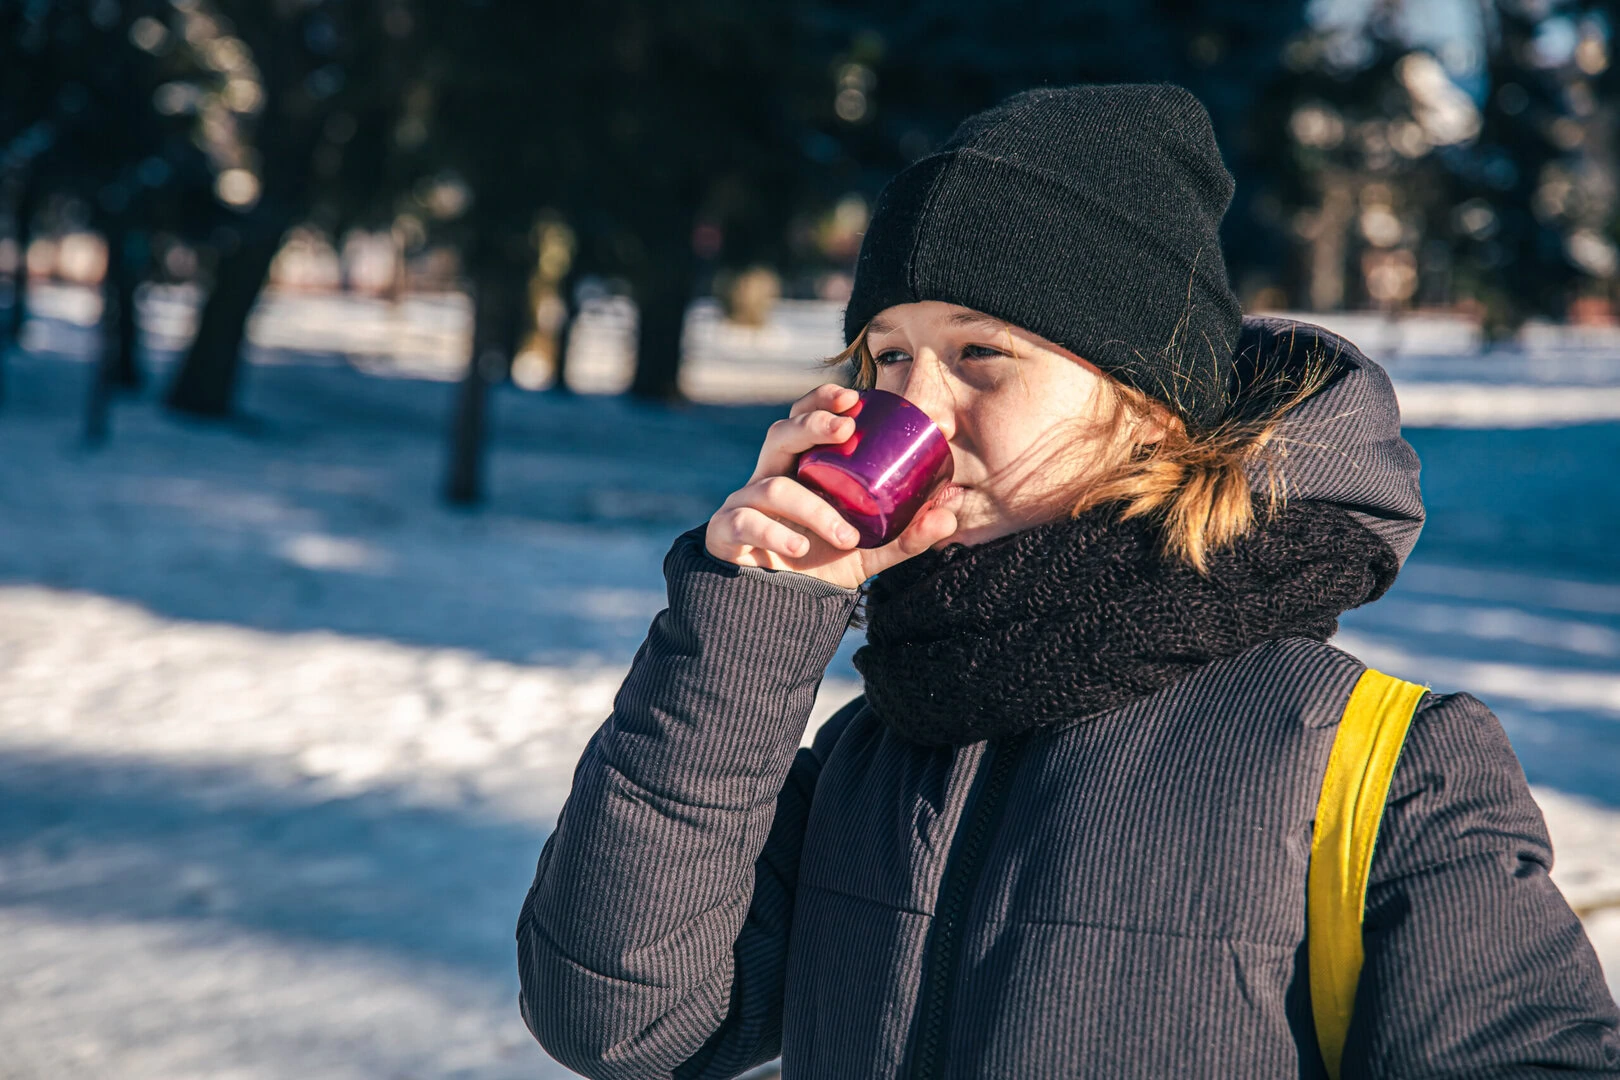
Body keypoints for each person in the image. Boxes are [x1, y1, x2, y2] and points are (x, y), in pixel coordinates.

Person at [515, 84, 1620, 1078]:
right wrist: (756, 608)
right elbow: (620, 1017)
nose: (917, 408)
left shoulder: (1381, 767)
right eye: (887, 355)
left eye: (981, 353)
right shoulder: (879, 750)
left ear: (1150, 403)